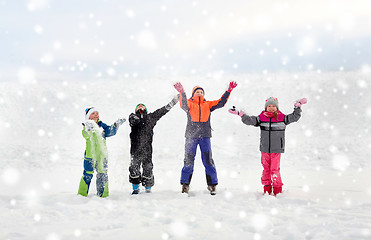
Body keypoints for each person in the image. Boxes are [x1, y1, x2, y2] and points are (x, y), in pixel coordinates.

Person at [228, 97, 307, 196]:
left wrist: (297, 107)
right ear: (266, 107)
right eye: (269, 106)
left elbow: (294, 117)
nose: (271, 108)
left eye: (273, 106)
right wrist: (241, 114)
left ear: (277, 107)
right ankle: (267, 191)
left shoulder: (282, 118)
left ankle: (278, 191)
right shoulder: (261, 118)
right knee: (266, 169)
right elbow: (250, 120)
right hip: (265, 149)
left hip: (276, 149)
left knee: (274, 169)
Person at [173, 81, 237, 195]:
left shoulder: (207, 104)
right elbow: (183, 105)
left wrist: (229, 91)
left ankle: (212, 185)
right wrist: (182, 92)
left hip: (205, 137)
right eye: (197, 92)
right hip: (190, 136)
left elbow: (221, 103)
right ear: (193, 94)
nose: (199, 93)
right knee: (188, 161)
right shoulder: (189, 103)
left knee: (208, 160)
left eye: (201, 92)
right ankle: (185, 185)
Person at [128, 95, 179, 194]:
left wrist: (173, 102)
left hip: (147, 148)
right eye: (138, 106)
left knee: (148, 167)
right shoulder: (133, 116)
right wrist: (135, 118)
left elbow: (163, 110)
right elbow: (132, 120)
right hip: (135, 148)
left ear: (146, 109)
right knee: (134, 167)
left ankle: (148, 188)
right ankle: (135, 188)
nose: (140, 107)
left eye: (142, 106)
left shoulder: (151, 117)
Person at [78, 107, 126, 198]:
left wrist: (116, 125)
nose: (96, 114)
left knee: (102, 175)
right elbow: (85, 134)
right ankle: (81, 195)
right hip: (90, 156)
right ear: (88, 117)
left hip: (102, 156)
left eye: (97, 113)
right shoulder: (87, 125)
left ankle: (103, 195)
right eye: (93, 113)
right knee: (87, 174)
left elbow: (109, 131)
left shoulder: (102, 125)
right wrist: (87, 129)